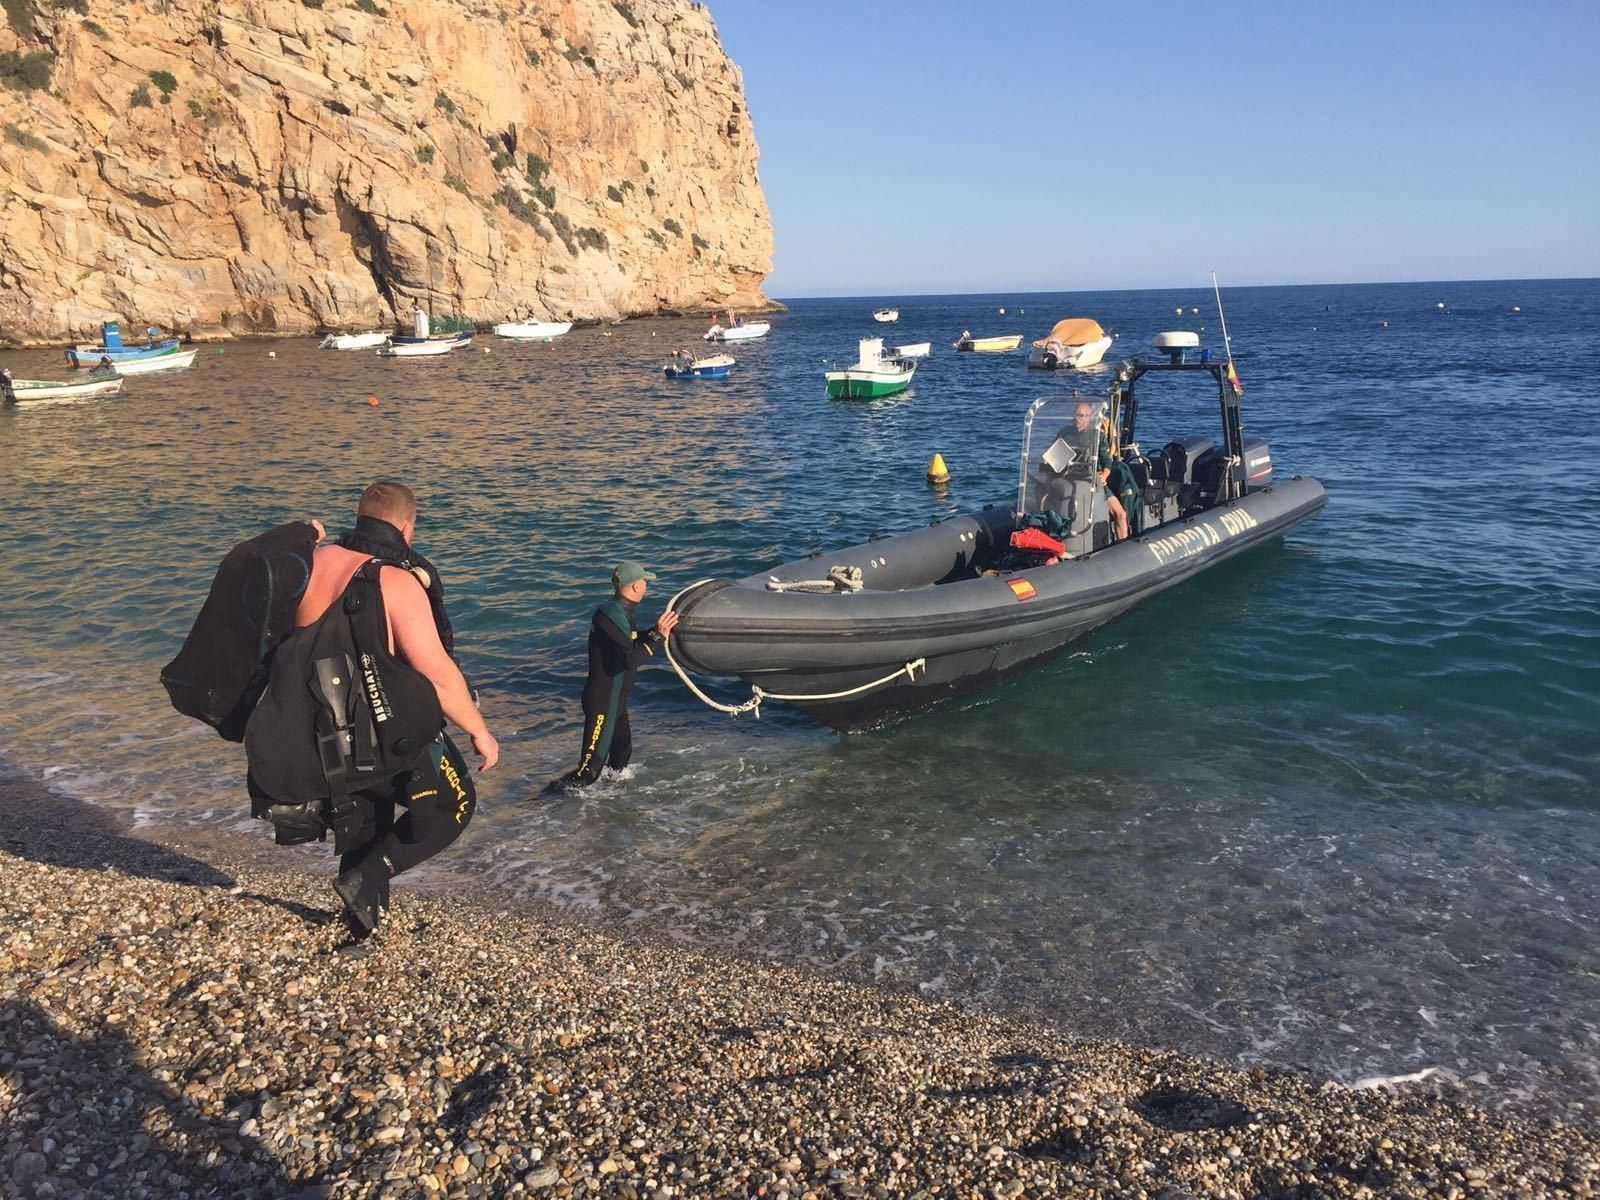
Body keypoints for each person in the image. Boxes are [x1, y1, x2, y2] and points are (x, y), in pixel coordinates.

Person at [288, 482, 498, 936]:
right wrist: (478, 729)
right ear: (407, 527)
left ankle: (360, 926)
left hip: (323, 721)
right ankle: (370, 874)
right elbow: (437, 673)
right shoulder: (395, 580)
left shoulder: (311, 563)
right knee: (453, 806)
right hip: (386, 726)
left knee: (365, 814)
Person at [559, 561, 679, 789]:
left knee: (620, 760)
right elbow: (630, 660)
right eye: (645, 581)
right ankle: (545, 805)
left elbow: (629, 641)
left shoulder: (621, 612)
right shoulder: (609, 614)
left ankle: (607, 812)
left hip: (616, 701)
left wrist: (656, 631)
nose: (647, 585)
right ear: (635, 586)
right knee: (588, 773)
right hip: (603, 703)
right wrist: (658, 637)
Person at [1058, 399, 1129, 540]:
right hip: (1069, 479)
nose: (1079, 419)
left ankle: (1122, 546)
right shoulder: (1064, 433)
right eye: (1078, 415)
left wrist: (1103, 476)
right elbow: (1054, 454)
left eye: (1084, 416)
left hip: (1093, 480)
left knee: (1120, 514)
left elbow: (1107, 461)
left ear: (1089, 418)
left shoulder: (1097, 435)